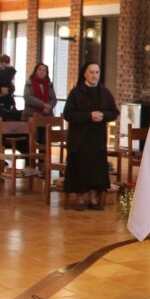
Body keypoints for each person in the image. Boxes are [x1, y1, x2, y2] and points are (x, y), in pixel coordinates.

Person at [62, 62, 118, 211]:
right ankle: (80, 198)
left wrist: (103, 115)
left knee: (96, 168)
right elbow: (68, 114)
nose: (94, 75)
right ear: (85, 74)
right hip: (80, 138)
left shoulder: (104, 92)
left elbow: (114, 112)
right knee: (80, 167)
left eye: (97, 72)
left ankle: (93, 198)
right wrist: (88, 116)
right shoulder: (76, 92)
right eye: (91, 72)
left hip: (97, 137)